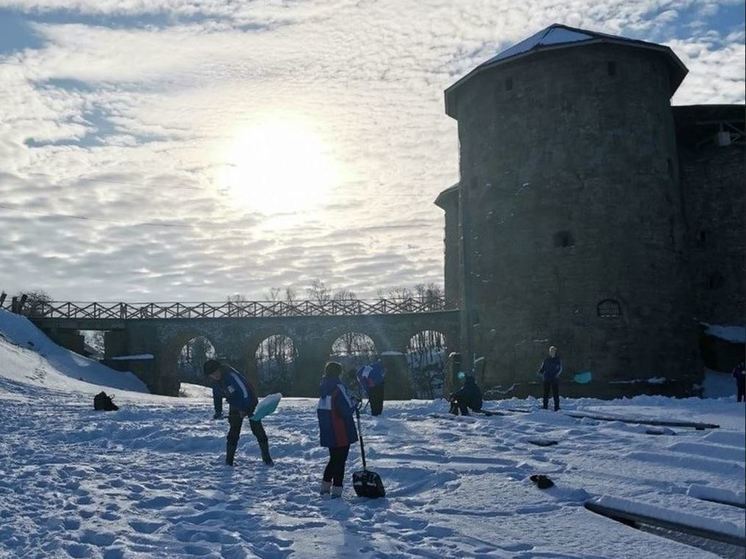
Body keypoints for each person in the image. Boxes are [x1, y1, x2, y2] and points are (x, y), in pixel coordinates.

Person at [204, 359, 273, 466]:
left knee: (257, 429)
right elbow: (217, 396)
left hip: (249, 401)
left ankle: (267, 459)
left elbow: (244, 391)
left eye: (215, 372)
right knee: (233, 431)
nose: (214, 376)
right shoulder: (216, 382)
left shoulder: (231, 375)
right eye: (211, 375)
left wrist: (245, 409)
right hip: (235, 403)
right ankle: (229, 461)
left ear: (219, 369)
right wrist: (218, 411)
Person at [317, 361, 359, 498]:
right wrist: (354, 403)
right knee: (340, 460)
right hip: (340, 430)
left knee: (333, 459)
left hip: (328, 430)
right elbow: (346, 409)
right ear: (339, 372)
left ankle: (325, 487)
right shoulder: (338, 387)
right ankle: (337, 490)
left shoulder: (324, 387)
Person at [537, 345, 562, 411]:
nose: (552, 352)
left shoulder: (557, 359)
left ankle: (557, 407)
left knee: (555, 394)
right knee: (546, 394)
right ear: (549, 352)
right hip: (547, 379)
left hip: (554, 379)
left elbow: (559, 368)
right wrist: (540, 372)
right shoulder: (546, 359)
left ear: (555, 352)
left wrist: (556, 375)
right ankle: (545, 406)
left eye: (553, 351)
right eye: (551, 351)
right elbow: (543, 367)